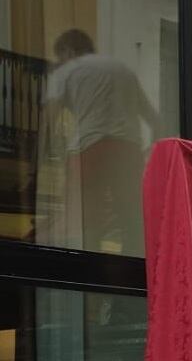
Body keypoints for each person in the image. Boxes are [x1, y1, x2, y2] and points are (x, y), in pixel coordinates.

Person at [46, 29, 162, 255]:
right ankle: (134, 274)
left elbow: (50, 117)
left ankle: (90, 274)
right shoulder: (124, 70)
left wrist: (55, 152)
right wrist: (150, 151)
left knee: (88, 218)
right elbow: (154, 120)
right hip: (128, 150)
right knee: (131, 216)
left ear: (68, 51)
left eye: (60, 56)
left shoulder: (67, 70)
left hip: (88, 148)